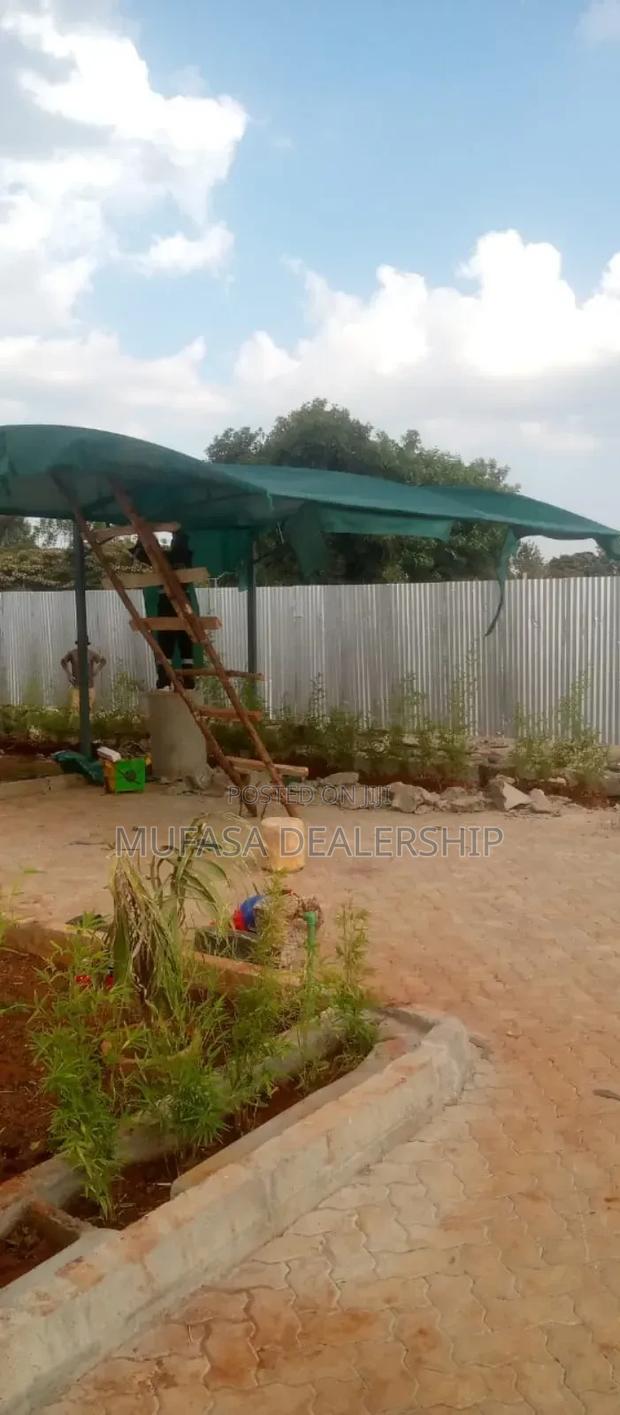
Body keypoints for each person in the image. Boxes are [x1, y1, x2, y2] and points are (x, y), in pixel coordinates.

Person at [132, 530, 195, 689]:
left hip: (168, 602)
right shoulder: (185, 557)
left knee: (167, 640)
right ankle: (186, 678)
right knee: (184, 641)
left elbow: (140, 554)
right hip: (183, 602)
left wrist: (142, 540)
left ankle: (164, 677)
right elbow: (143, 554)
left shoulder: (164, 558)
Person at [61, 640, 106, 712]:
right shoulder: (73, 653)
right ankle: (76, 722)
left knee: (89, 708)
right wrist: (69, 674)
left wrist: (96, 671)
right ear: (78, 644)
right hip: (77, 686)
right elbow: (63, 661)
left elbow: (103, 661)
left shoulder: (91, 653)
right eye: (81, 643)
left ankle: (89, 721)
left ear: (87, 644)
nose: (82, 645)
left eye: (84, 643)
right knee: (75, 707)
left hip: (89, 686)